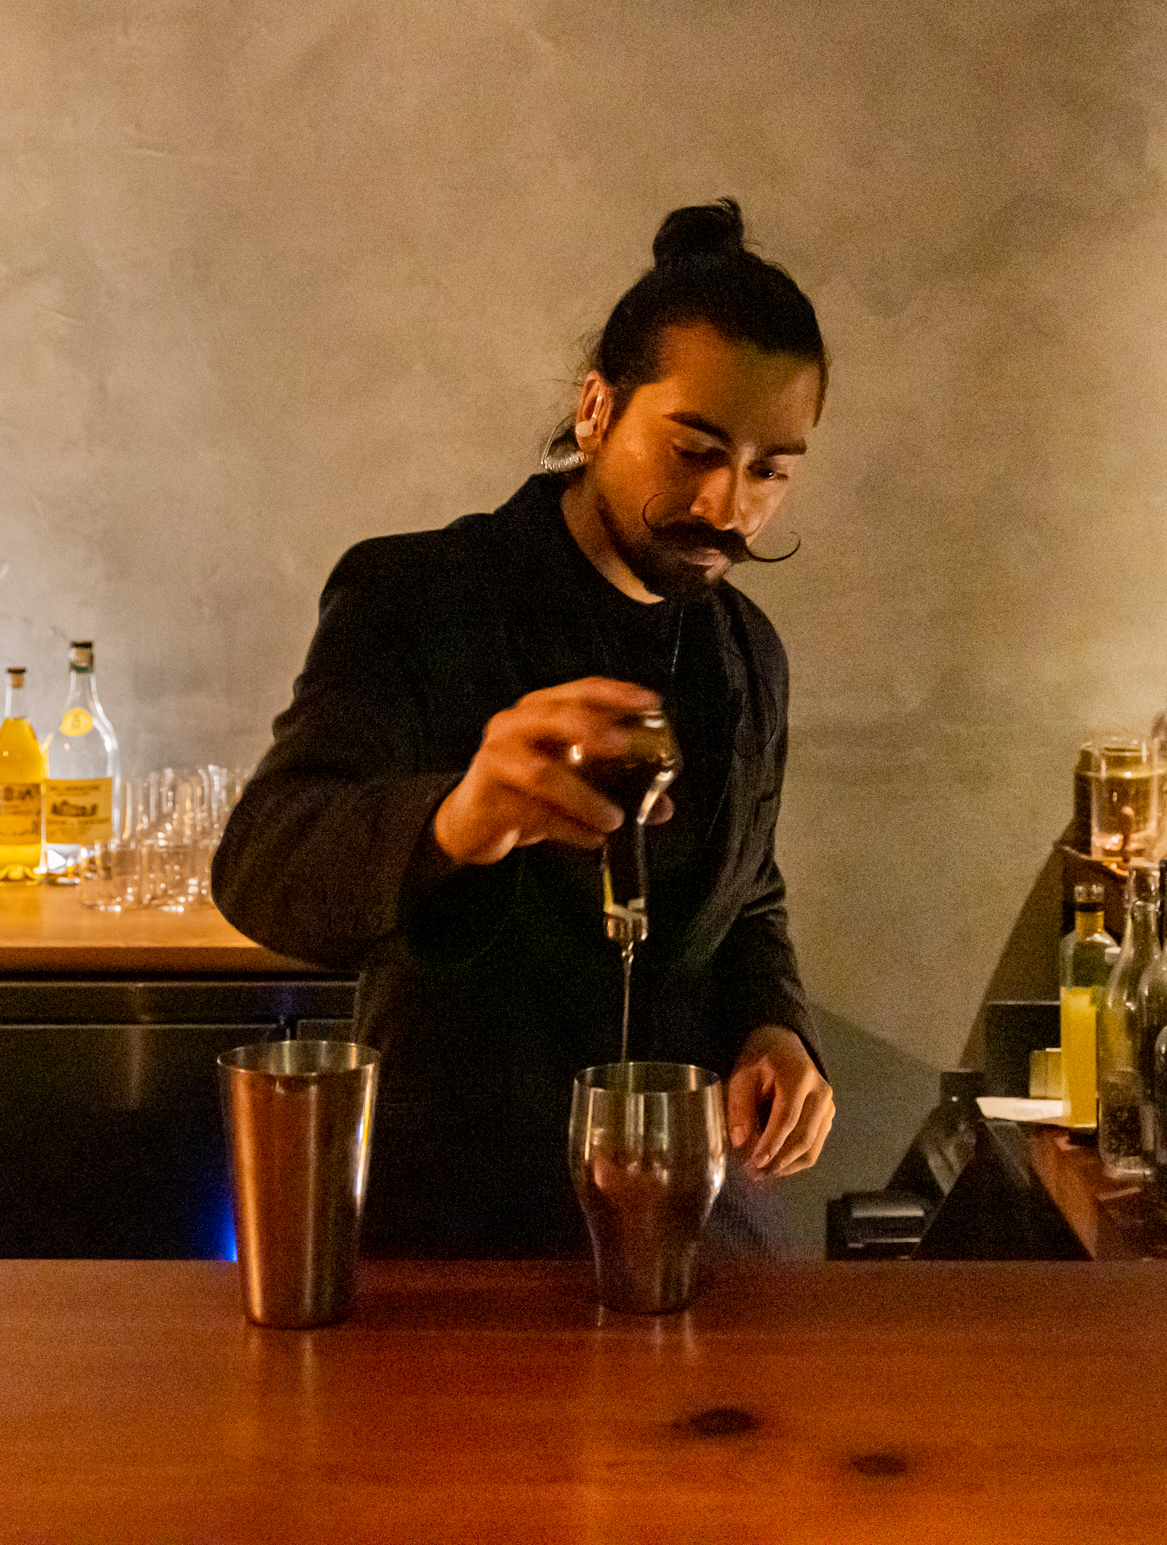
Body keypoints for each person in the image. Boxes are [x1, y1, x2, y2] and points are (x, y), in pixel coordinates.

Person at [212, 200, 837, 1257]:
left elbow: (749, 895)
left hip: (683, 1237)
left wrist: (774, 1027)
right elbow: (263, 865)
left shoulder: (747, 653)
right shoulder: (417, 596)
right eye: (693, 451)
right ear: (596, 412)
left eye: (772, 469)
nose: (729, 507)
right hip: (451, 1245)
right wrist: (456, 818)